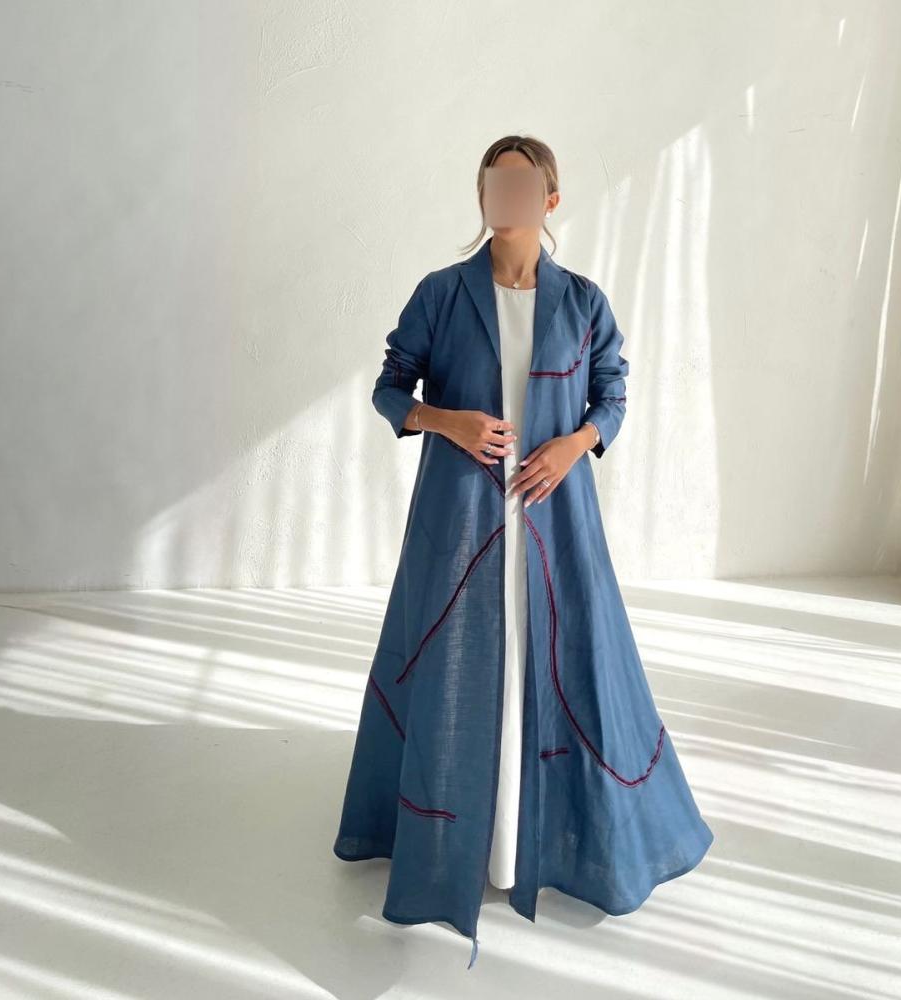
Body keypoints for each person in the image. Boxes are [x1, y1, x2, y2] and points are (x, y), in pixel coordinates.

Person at [334, 135, 714, 969]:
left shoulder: (583, 301)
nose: (505, 197)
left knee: (568, 662)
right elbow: (390, 389)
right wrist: (449, 421)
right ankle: (458, 842)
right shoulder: (441, 293)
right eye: (493, 183)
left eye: (523, 184)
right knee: (460, 663)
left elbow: (612, 393)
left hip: (553, 517)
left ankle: (545, 841)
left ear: (549, 199)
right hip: (461, 520)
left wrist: (576, 443)